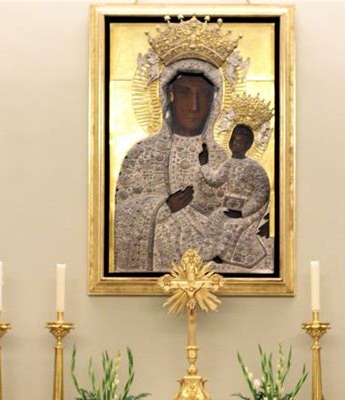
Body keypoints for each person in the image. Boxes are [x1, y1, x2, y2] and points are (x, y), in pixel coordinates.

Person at [114, 61, 272, 274]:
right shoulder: (142, 154)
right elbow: (120, 218)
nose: (194, 106)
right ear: (170, 95)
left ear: (214, 102)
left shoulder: (224, 158)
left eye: (203, 95)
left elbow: (250, 206)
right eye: (185, 93)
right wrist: (163, 207)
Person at [198, 124, 271, 268]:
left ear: (248, 145)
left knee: (231, 227)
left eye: (240, 142)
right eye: (233, 140)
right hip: (230, 208)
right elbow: (215, 180)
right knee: (214, 220)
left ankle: (225, 258)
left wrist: (243, 212)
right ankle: (211, 253)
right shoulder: (228, 164)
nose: (235, 144)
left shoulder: (254, 168)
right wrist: (204, 164)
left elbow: (261, 194)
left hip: (249, 212)